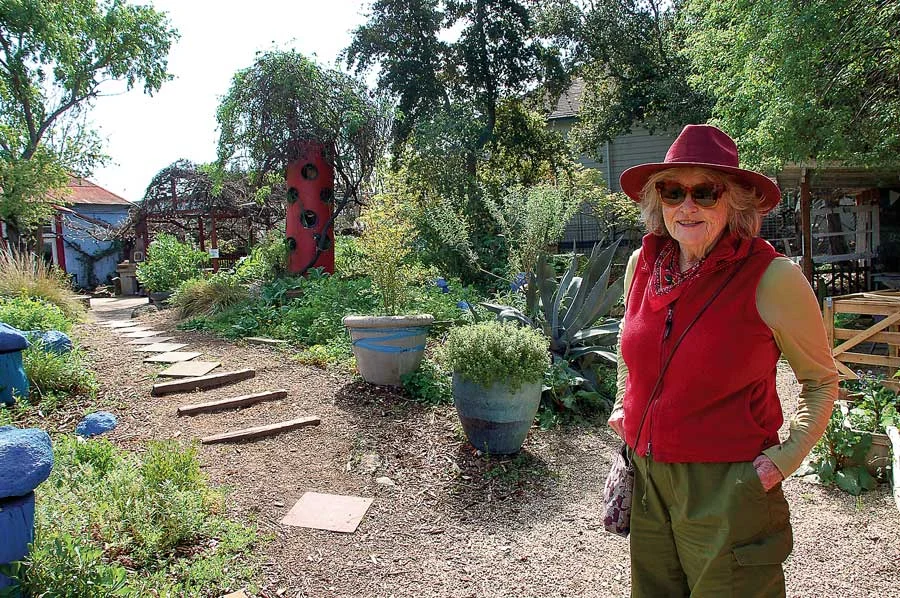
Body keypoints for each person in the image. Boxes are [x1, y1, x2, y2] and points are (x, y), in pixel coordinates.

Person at [608, 124, 838, 597]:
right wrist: (622, 405)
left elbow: (820, 381)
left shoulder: (772, 277)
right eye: (673, 192)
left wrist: (784, 460)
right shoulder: (642, 265)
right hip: (648, 478)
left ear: (735, 201)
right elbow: (627, 346)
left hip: (728, 484)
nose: (686, 206)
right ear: (658, 201)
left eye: (705, 192)